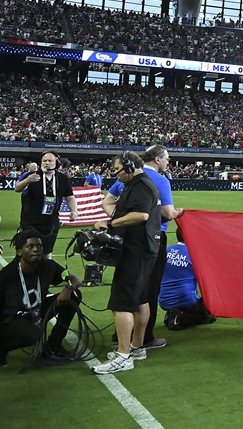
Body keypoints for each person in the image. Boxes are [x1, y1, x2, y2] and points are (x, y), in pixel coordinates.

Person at [0, 228, 82, 378]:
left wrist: (69, 287)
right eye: (30, 246)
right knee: (33, 334)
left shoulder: (48, 266)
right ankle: (0, 348)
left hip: (34, 312)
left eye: (39, 246)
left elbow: (75, 278)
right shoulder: (4, 278)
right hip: (6, 322)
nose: (36, 250)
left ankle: (53, 347)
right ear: (19, 252)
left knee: (74, 295)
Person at [105, 145, 183, 350]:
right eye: (167, 158)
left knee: (130, 294)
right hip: (150, 239)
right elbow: (167, 213)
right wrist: (178, 213)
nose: (168, 162)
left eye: (117, 169)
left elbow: (109, 202)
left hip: (133, 241)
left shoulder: (133, 182)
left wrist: (115, 221)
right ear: (157, 159)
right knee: (146, 292)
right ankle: (141, 340)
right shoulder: (157, 181)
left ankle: (125, 342)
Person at [91, 151, 161, 375]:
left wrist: (110, 225)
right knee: (140, 298)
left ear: (130, 167)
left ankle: (123, 355)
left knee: (121, 302)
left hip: (136, 250)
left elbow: (141, 215)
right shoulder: (140, 184)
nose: (116, 175)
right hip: (143, 250)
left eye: (118, 170)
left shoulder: (141, 185)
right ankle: (137, 347)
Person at [15, 152, 77, 257]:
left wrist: (74, 210)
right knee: (29, 253)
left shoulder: (62, 179)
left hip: (51, 222)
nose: (47, 163)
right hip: (31, 222)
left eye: (50, 161)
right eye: (44, 161)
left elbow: (70, 197)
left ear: (56, 163)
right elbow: (17, 188)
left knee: (47, 253)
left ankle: (45, 273)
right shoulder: (33, 176)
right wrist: (27, 181)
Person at [159, 230, 215, 331]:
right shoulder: (194, 255)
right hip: (186, 300)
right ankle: (180, 317)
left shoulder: (166, 250)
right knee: (208, 313)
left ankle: (173, 313)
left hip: (163, 300)